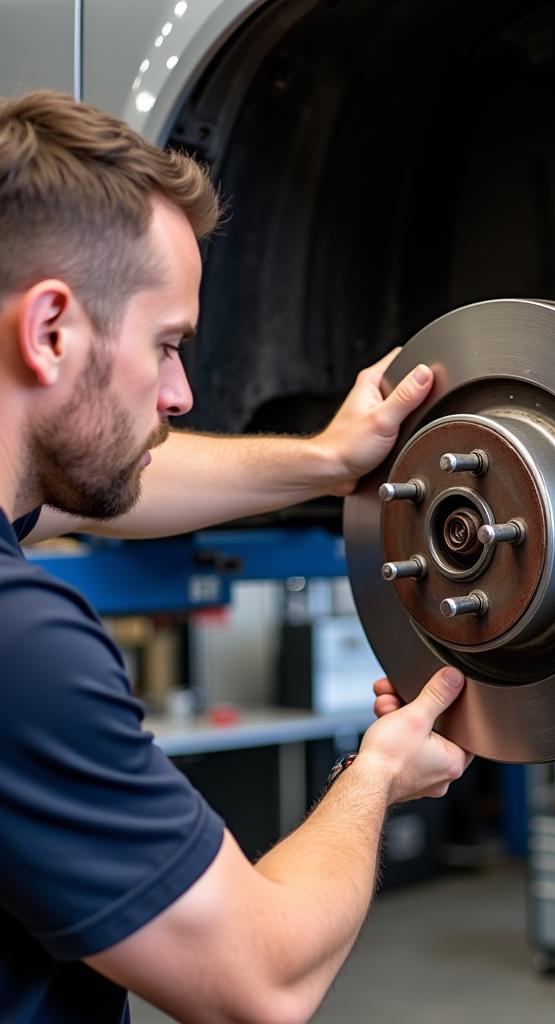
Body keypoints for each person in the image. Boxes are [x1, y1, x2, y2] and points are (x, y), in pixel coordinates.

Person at [0, 90, 472, 1023]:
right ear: (50, 330)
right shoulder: (24, 648)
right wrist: (375, 772)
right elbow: (263, 978)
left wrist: (327, 462)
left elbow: (106, 486)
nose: (181, 393)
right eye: (167, 344)